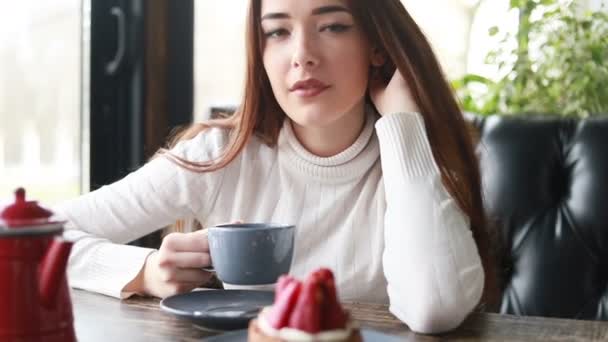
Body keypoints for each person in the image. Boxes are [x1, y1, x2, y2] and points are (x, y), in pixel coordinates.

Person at [54, 0, 498, 334]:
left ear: (378, 48)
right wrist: (145, 271)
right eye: (278, 32)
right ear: (259, 53)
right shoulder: (220, 155)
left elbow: (436, 307)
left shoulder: (416, 159)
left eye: (333, 26)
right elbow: (34, 236)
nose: (302, 54)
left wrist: (403, 126)